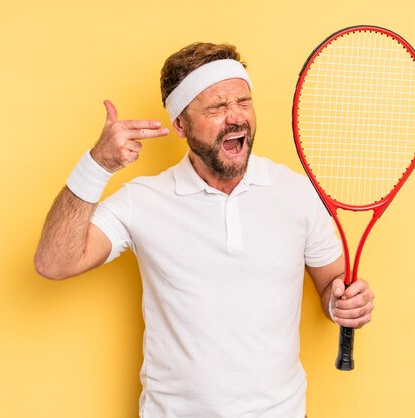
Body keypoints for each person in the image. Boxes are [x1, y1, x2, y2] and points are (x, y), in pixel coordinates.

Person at [34, 42, 374, 418]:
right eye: (216, 107)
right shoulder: (142, 200)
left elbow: (332, 284)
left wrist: (342, 302)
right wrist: (97, 165)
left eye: (243, 102)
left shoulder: (296, 193)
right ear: (180, 123)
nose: (236, 117)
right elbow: (53, 262)